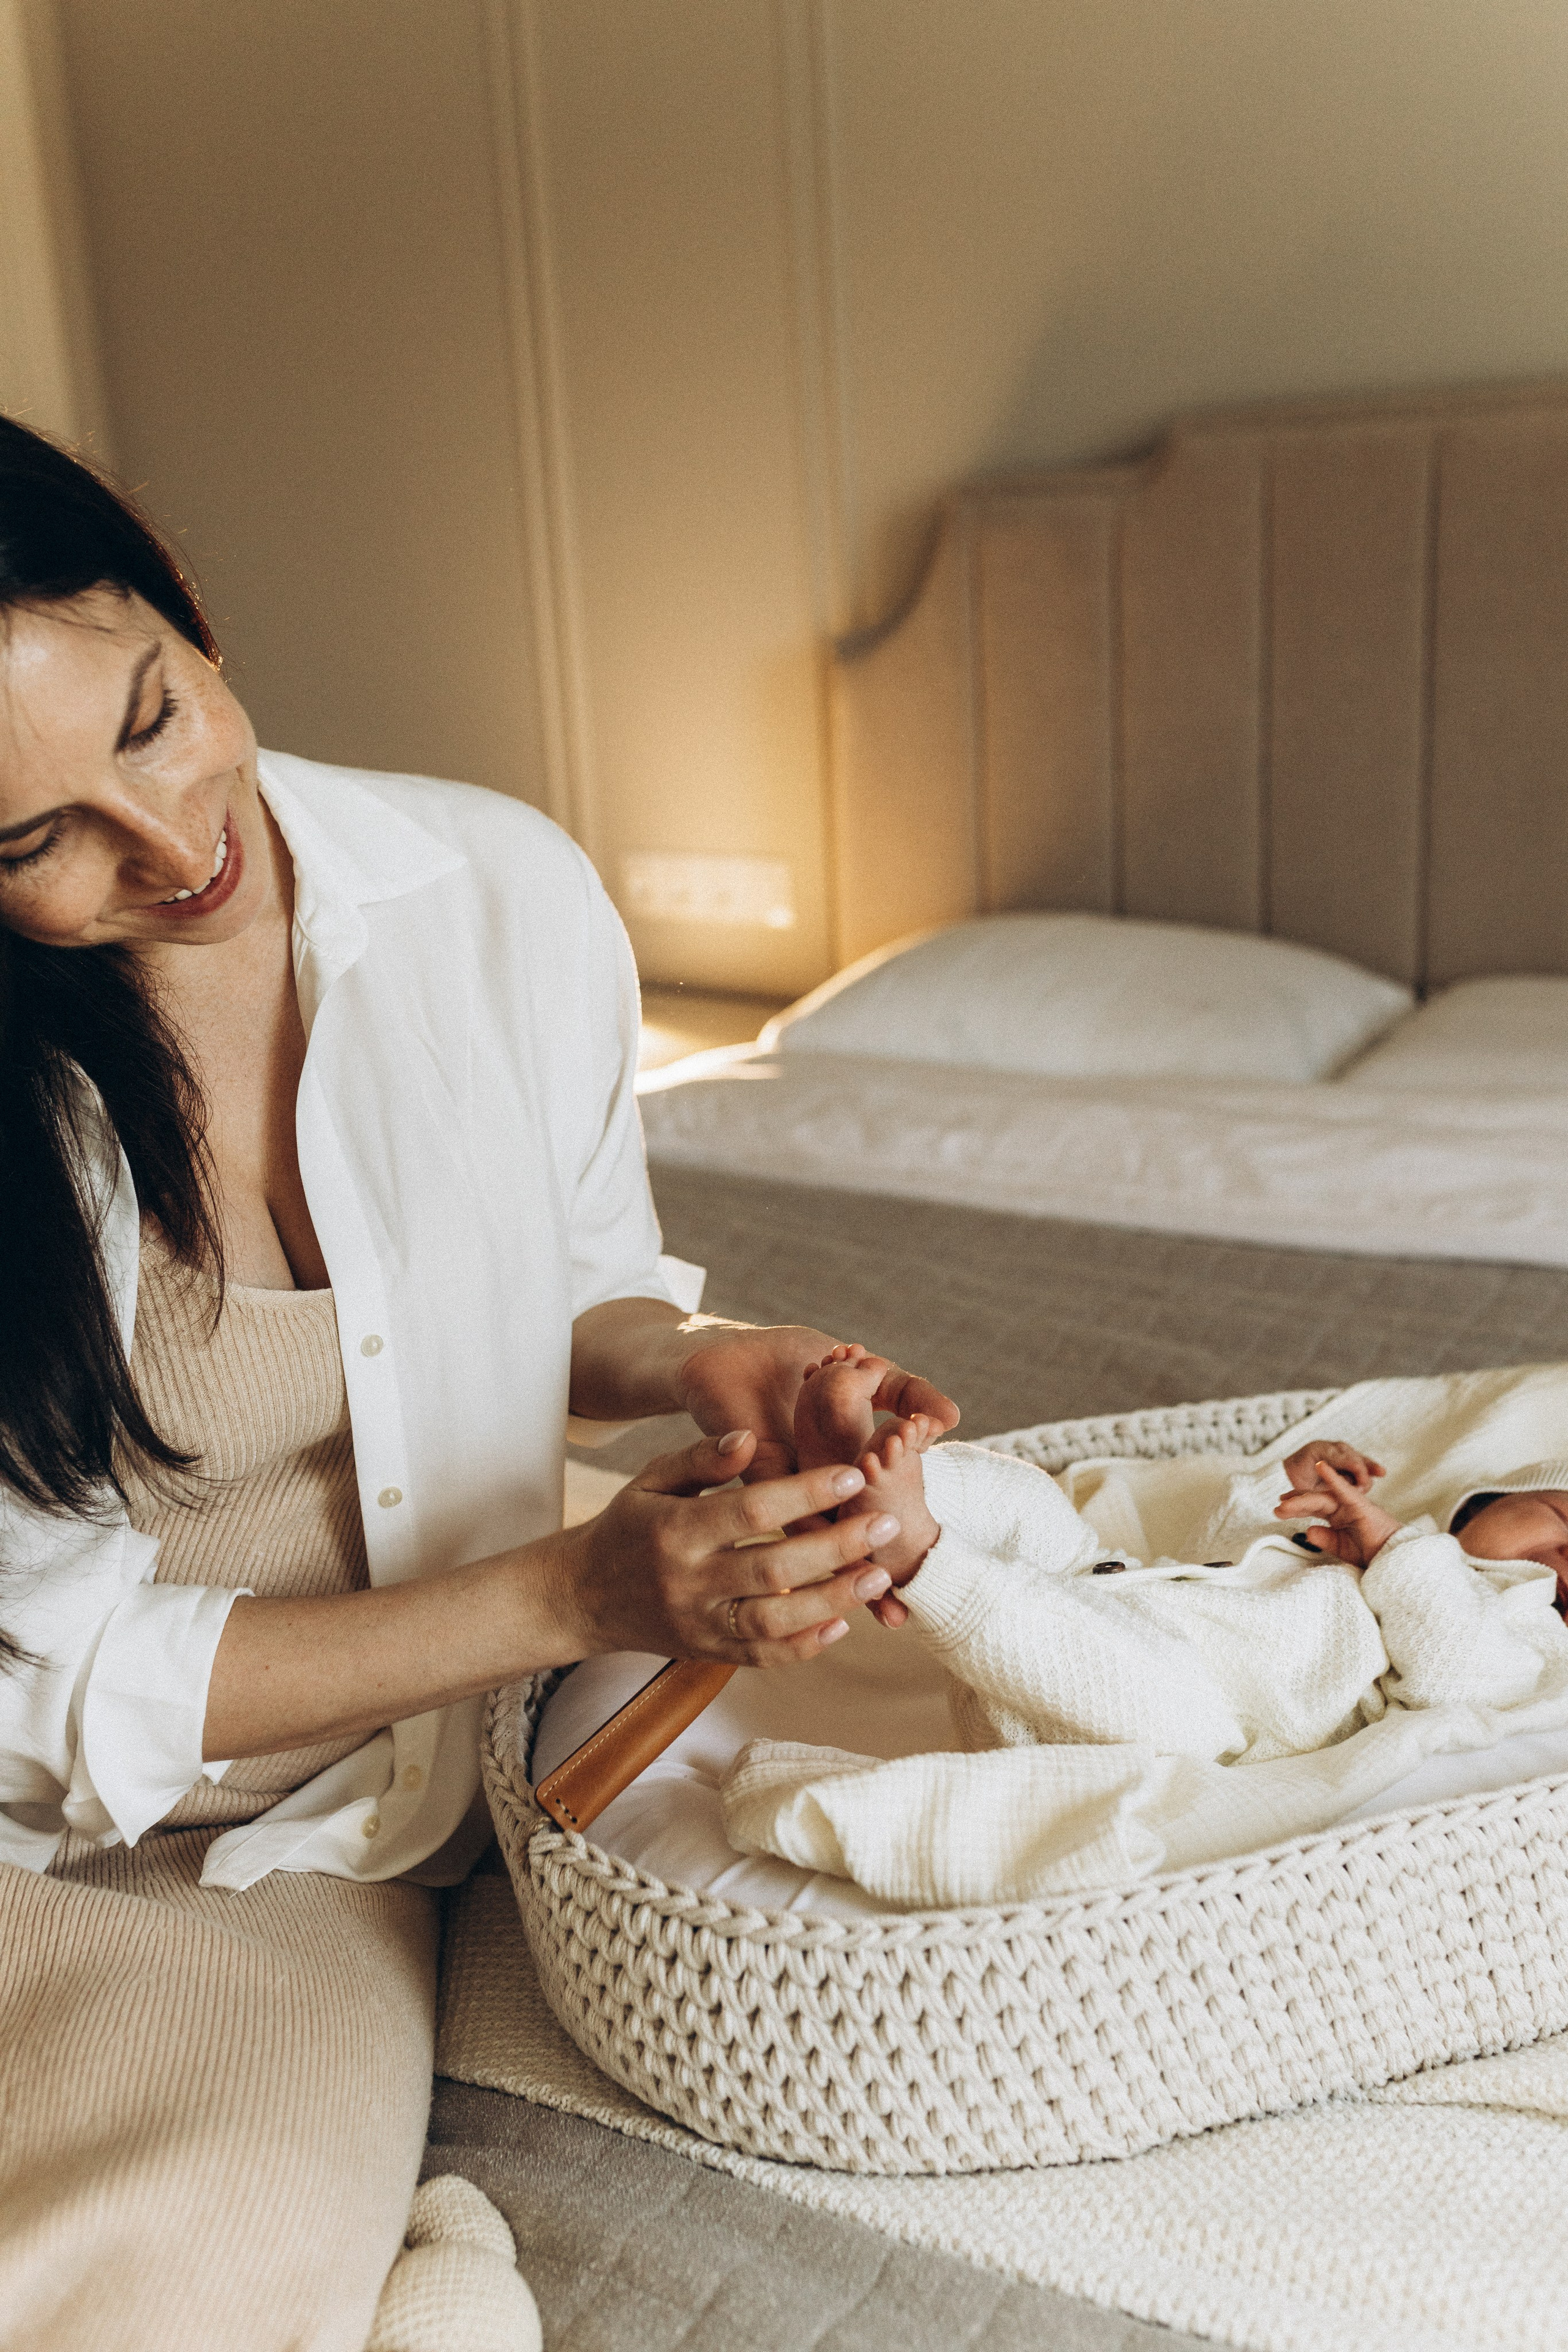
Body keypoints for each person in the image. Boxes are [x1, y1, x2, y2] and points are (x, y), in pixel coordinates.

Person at [0, 416, 957, 2352]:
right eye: (33, 843)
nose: (172, 845)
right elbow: (37, 1687)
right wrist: (569, 1595)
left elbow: (578, 1280)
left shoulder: (497, 893)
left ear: (182, 606)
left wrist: (704, 1363)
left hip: (303, 1835)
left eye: (155, 718)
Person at [712, 1350, 1568, 1907]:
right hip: (1105, 1595)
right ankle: (854, 1472)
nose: (1564, 1561)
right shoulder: (1368, 1543)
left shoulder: (1522, 1629)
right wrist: (1268, 1493)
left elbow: (1462, 1676)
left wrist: (1400, 1555)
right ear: (1484, 1501)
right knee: (1030, 1509)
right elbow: (1210, 1565)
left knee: (1146, 1681)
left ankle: (921, 1554)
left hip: (1184, 1722)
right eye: (1560, 1522)